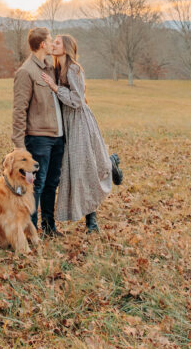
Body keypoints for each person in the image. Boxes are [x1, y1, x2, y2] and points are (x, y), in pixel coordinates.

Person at [41, 33, 122, 234]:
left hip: (79, 122)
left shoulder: (74, 69)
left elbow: (77, 100)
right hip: (65, 124)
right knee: (76, 171)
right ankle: (109, 162)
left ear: (66, 48)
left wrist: (54, 87)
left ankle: (91, 222)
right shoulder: (56, 68)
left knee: (82, 171)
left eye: (57, 43)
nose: (53, 44)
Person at [11, 26, 64, 237]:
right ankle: (30, 232)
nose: (52, 43)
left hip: (57, 137)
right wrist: (19, 146)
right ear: (42, 44)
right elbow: (19, 109)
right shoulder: (26, 72)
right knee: (37, 185)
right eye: (50, 40)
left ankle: (49, 227)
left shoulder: (49, 67)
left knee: (52, 183)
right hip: (39, 139)